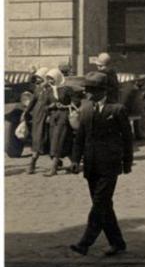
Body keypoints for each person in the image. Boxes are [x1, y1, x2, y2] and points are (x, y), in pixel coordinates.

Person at [69, 71, 133, 257]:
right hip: (91, 165)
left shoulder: (117, 110)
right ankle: (117, 243)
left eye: (91, 90)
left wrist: (127, 162)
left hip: (110, 165)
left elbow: (127, 139)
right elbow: (80, 138)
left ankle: (84, 243)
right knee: (104, 205)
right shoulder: (86, 110)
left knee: (99, 204)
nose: (87, 94)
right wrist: (75, 160)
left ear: (102, 91)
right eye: (87, 90)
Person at [44, 67, 73, 176]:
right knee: (61, 142)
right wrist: (49, 107)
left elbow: (76, 102)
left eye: (51, 78)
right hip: (53, 118)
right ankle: (74, 163)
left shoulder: (67, 89)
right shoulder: (49, 91)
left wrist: (64, 105)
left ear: (57, 77)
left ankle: (53, 169)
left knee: (57, 141)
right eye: (48, 79)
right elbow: (45, 105)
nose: (50, 81)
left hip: (63, 116)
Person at [23, 67, 51, 174]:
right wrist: (25, 113)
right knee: (37, 139)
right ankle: (32, 164)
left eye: (40, 78)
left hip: (47, 117)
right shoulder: (38, 89)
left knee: (49, 139)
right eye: (37, 78)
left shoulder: (51, 89)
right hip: (37, 117)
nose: (38, 80)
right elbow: (32, 102)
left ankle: (55, 161)